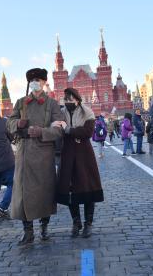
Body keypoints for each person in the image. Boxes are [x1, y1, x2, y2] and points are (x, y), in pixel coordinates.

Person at [7, 68, 65, 245]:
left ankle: (44, 228)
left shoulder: (52, 104)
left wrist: (41, 131)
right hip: (24, 154)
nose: (35, 83)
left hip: (43, 155)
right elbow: (9, 123)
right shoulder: (21, 102)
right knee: (23, 193)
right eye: (32, 80)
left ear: (44, 82)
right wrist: (17, 123)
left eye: (39, 80)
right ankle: (28, 231)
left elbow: (59, 129)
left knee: (44, 193)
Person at [55, 88, 104, 238]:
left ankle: (88, 223)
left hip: (84, 154)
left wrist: (68, 130)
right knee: (70, 190)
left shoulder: (86, 112)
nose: (67, 102)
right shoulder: (61, 113)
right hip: (68, 153)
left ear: (77, 99)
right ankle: (76, 222)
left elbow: (87, 132)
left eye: (70, 99)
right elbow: (57, 130)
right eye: (65, 99)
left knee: (88, 187)